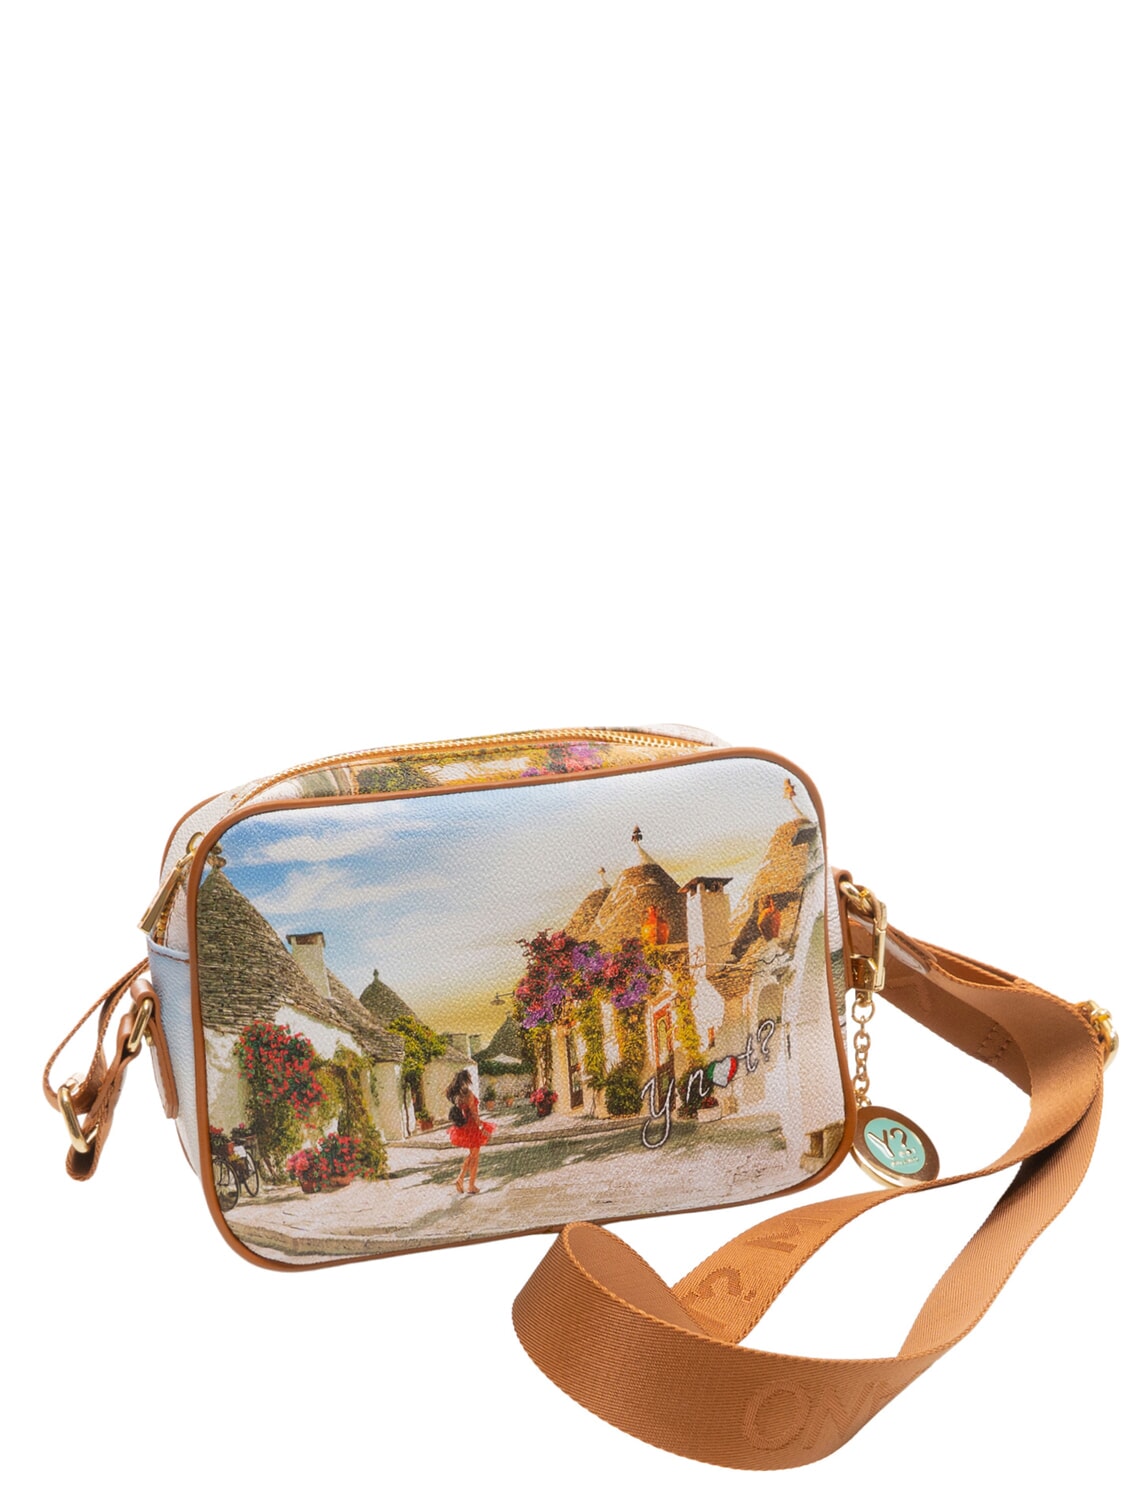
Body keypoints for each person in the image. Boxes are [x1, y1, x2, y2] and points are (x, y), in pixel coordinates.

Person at [446, 1068, 494, 1195]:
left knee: (472, 1155)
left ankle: (462, 1180)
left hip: (466, 1127)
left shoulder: (459, 1096)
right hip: (473, 1127)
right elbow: (474, 1114)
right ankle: (469, 1184)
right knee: (474, 1157)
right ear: (466, 1079)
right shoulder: (468, 1094)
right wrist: (482, 1129)